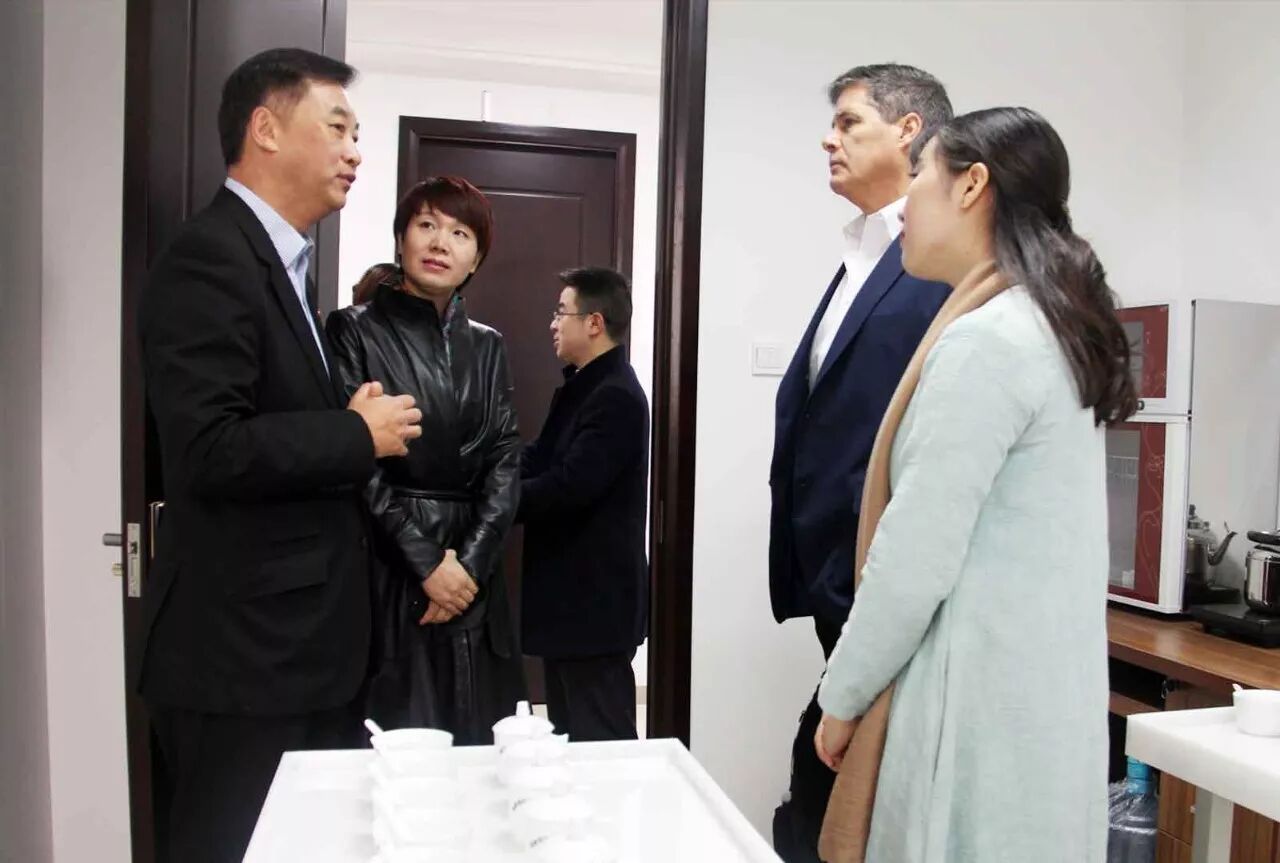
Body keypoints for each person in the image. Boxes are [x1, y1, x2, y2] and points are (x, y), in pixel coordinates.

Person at [814, 107, 1137, 863]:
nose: (906, 206)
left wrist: (842, 696)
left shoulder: (989, 341)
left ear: (971, 186)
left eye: (920, 175)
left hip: (974, 713)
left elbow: (912, 557)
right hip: (1032, 703)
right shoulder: (1050, 326)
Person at [138, 48, 421, 863]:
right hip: (241, 662)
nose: (355, 151)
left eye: (357, 134)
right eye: (338, 127)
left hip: (298, 657)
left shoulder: (286, 264)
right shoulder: (210, 256)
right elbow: (208, 446)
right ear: (265, 129)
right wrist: (355, 434)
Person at [768, 63, 953, 861]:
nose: (828, 139)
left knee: (839, 798)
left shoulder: (937, 257)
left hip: (880, 577)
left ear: (909, 130)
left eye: (848, 122)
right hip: (836, 581)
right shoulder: (865, 253)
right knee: (829, 790)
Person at [327, 176, 526, 744]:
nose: (441, 242)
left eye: (460, 234)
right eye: (427, 225)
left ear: (475, 260)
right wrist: (427, 564)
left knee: (484, 746)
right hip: (391, 563)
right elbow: (355, 462)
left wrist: (468, 566)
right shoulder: (353, 329)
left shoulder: (487, 344)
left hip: (473, 572)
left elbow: (505, 458)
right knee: (400, 744)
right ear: (401, 240)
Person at [516, 267, 649, 741]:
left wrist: (497, 502)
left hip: (595, 608)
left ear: (594, 323)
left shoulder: (615, 396)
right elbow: (540, 456)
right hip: (571, 606)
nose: (553, 323)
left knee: (603, 750)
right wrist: (492, 471)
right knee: (568, 743)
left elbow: (569, 487)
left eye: (561, 313)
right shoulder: (583, 386)